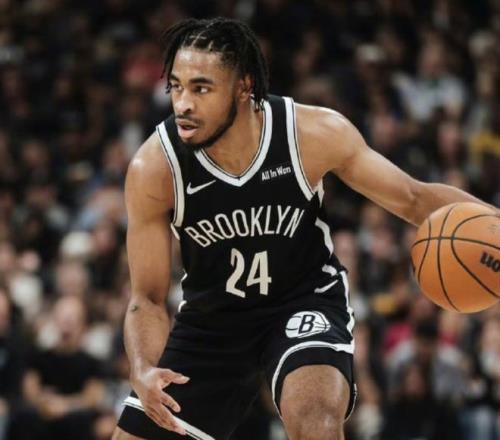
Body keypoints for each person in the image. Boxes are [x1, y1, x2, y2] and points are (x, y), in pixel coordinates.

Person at [113, 17, 497, 440]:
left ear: (243, 87)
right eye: (176, 87)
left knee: (316, 420)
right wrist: (143, 368)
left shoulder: (309, 133)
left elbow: (414, 198)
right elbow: (147, 298)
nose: (183, 104)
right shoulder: (155, 167)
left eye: (201, 89)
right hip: (213, 321)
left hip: (302, 301)